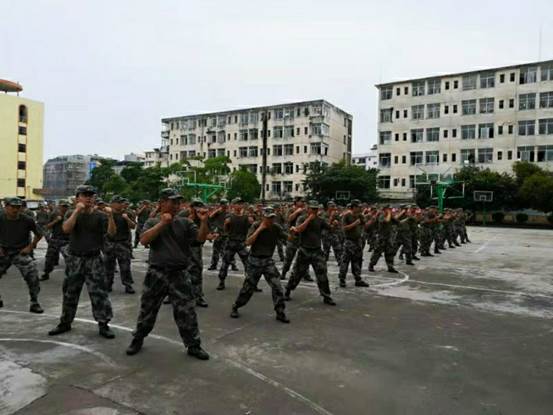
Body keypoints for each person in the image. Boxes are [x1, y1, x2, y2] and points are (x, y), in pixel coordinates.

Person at [125, 188, 210, 360]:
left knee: (186, 311)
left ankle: (193, 345)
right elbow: (144, 240)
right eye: (173, 201)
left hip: (179, 273)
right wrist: (162, 223)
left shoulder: (185, 223)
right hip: (157, 272)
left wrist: (204, 222)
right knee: (148, 309)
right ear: (162, 203)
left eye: (178, 202)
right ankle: (138, 338)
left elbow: (200, 239)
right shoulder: (152, 221)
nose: (176, 205)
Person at [48, 185, 116, 339]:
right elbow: (66, 229)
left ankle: (103, 324)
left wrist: (111, 216)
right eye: (85, 195)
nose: (89, 198)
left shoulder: (100, 216)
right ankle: (65, 322)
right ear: (77, 198)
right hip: (75, 258)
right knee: (70, 292)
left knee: (99, 293)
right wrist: (77, 211)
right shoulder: (72, 213)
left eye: (91, 195)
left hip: (93, 258)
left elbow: (112, 233)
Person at [230, 206, 290, 323]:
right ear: (263, 217)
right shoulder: (256, 225)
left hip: (268, 261)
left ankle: (280, 312)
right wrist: (260, 229)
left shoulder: (276, 227)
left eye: (272, 218)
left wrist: (294, 233)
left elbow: (289, 238)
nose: (270, 220)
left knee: (277, 286)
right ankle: (236, 306)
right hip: (255, 261)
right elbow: (248, 242)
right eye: (268, 218)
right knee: (248, 289)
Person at [284, 200, 337, 306]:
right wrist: (308, 219)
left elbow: (330, 229)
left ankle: (326, 296)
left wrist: (334, 225)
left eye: (316, 209)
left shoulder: (320, 220)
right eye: (312, 209)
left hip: (317, 250)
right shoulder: (302, 218)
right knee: (297, 273)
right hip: (304, 250)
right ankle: (288, 290)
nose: (314, 211)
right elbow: (298, 230)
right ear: (308, 209)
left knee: (322, 273)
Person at [0, 197, 44, 313]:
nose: (15, 210)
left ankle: (34, 303)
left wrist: (30, 247)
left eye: (18, 207)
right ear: (6, 207)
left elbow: (39, 234)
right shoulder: (1, 218)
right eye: (12, 207)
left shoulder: (27, 220)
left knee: (33, 276)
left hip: (20, 252)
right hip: (4, 251)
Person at [216, 198, 253, 291]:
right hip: (231, 242)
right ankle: (221, 281)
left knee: (248, 263)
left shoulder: (246, 216)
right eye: (238, 204)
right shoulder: (229, 216)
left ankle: (251, 282)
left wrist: (250, 221)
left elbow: (250, 227)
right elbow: (225, 230)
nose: (240, 205)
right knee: (225, 263)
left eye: (241, 204)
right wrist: (226, 224)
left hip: (241, 243)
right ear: (233, 205)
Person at [104, 195, 136, 294]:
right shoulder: (106, 214)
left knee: (125, 266)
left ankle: (128, 285)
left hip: (123, 243)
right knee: (108, 266)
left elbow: (133, 226)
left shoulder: (126, 213)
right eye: (119, 202)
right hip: (110, 243)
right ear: (112, 204)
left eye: (122, 202)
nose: (121, 204)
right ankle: (108, 284)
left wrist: (127, 219)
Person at [337, 199, 371, 287]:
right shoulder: (346, 215)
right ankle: (342, 279)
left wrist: (371, 221)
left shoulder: (360, 215)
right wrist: (354, 224)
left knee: (357, 261)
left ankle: (358, 279)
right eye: (358, 207)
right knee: (345, 261)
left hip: (358, 241)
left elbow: (365, 225)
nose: (360, 208)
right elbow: (344, 228)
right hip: (349, 241)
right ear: (354, 207)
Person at [41, 200, 71, 281]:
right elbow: (47, 226)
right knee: (49, 258)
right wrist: (56, 221)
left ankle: (70, 276)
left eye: (66, 206)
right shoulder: (54, 214)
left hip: (67, 241)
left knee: (70, 259)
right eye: (63, 206)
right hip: (55, 239)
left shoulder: (70, 215)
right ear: (59, 206)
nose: (64, 208)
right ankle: (46, 273)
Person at [368, 205, 399, 273]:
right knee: (377, 252)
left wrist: (392, 216)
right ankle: (371, 265)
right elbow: (386, 221)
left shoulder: (390, 216)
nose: (390, 210)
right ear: (385, 209)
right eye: (389, 209)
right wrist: (389, 214)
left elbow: (397, 222)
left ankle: (390, 267)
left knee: (389, 253)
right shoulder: (381, 216)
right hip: (381, 238)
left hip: (388, 238)